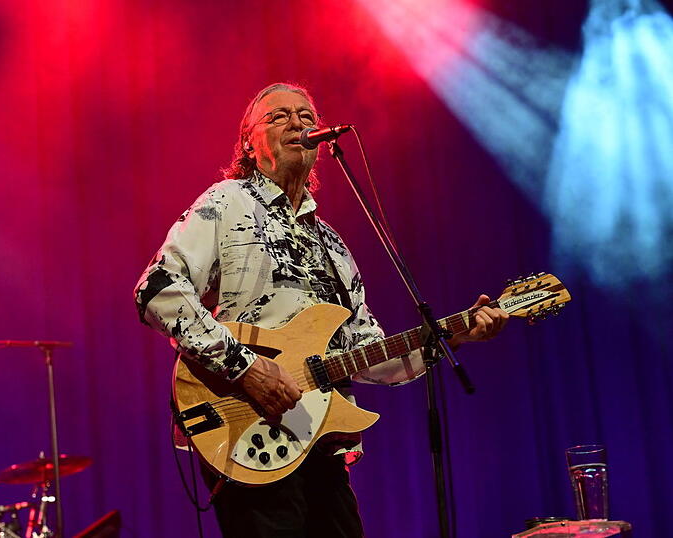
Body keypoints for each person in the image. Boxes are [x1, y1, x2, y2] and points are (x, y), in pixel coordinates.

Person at [133, 82, 509, 537]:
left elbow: (371, 354)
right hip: (249, 429)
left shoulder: (332, 244)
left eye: (306, 116)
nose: (297, 122)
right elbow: (157, 290)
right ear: (249, 144)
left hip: (321, 442)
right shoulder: (227, 202)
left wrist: (453, 333)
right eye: (278, 116)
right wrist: (247, 369)